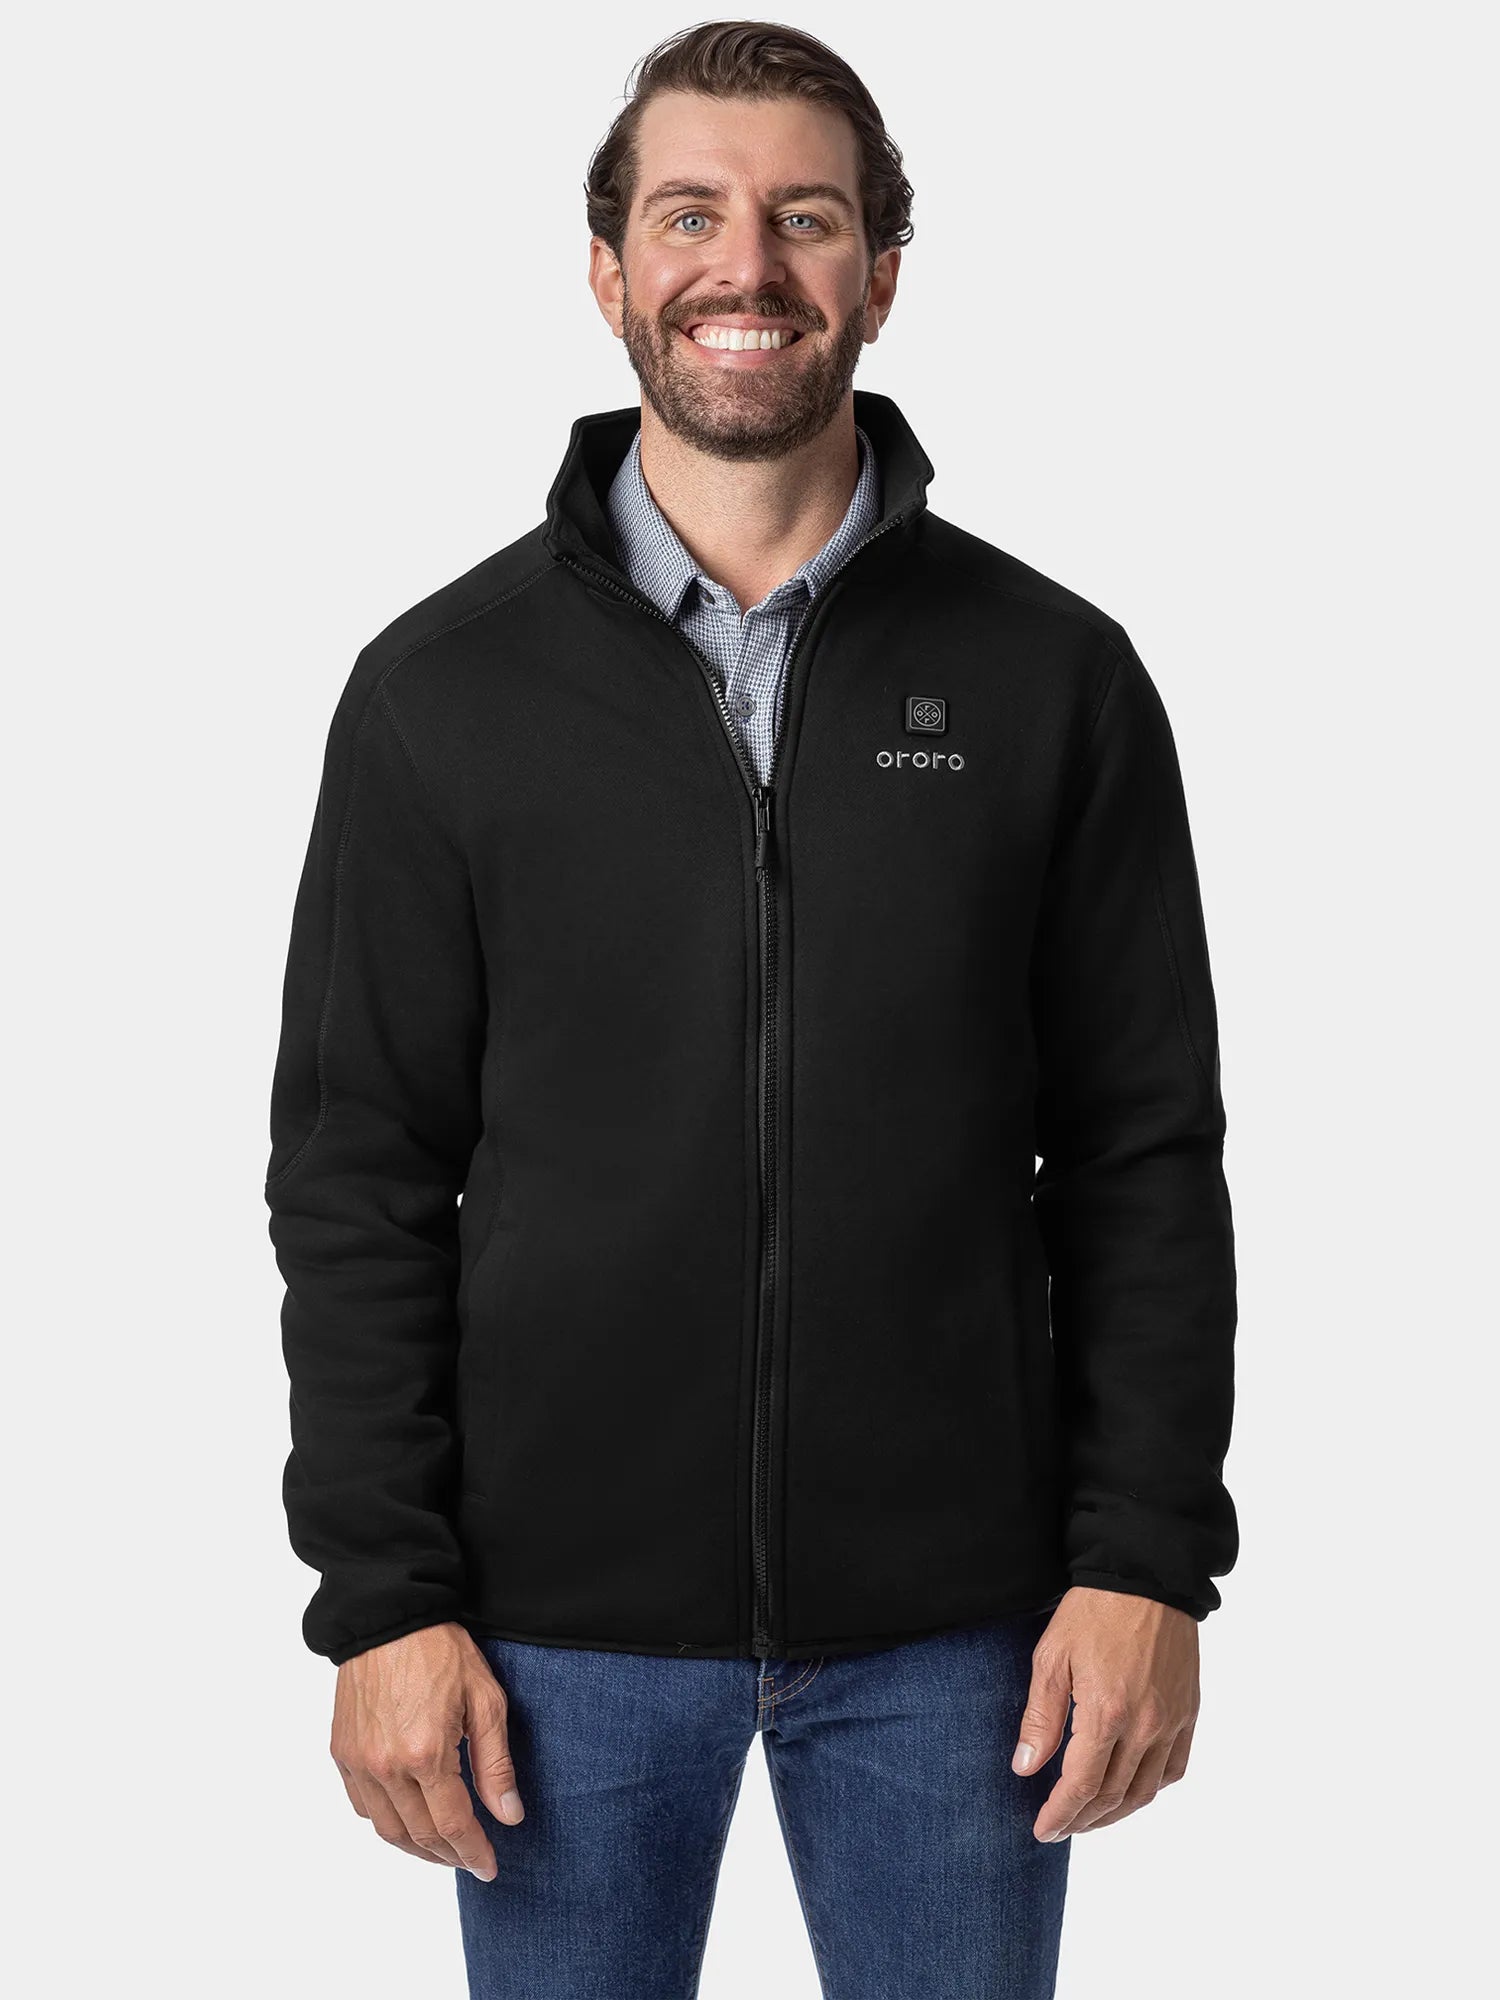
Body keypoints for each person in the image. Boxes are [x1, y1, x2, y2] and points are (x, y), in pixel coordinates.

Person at [263, 20, 1239, 1998]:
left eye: (807, 218)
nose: (747, 267)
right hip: (548, 1640)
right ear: (607, 268)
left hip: (964, 1635)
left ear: (883, 272)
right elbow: (360, 1174)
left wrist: (1144, 1558)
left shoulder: (1053, 678)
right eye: (689, 214)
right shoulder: (441, 694)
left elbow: (1141, 1155)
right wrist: (381, 1596)